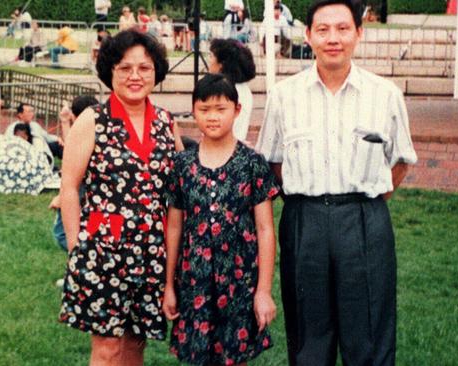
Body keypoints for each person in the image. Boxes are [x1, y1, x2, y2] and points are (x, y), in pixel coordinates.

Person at [255, 1, 418, 365]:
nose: (333, 39)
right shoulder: (285, 95)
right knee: (309, 339)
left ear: (359, 33)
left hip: (365, 221)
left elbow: (401, 161)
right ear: (308, 35)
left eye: (343, 29)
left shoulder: (384, 94)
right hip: (305, 223)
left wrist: (363, 202)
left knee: (370, 339)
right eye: (323, 29)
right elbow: (272, 162)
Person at [58, 29, 183, 365]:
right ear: (110, 72)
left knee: (134, 345)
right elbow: (69, 188)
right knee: (107, 348)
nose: (135, 76)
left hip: (151, 253)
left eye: (144, 68)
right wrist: (76, 250)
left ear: (156, 71)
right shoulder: (92, 120)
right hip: (102, 250)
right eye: (125, 68)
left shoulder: (165, 123)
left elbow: (179, 191)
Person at [162, 73, 279, 366]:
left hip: (239, 282)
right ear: (193, 110)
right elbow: (174, 226)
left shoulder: (253, 164)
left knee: (234, 358)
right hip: (194, 281)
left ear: (237, 110)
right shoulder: (182, 165)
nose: (212, 117)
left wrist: (263, 291)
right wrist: (169, 285)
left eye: (220, 109)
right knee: (198, 357)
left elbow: (265, 229)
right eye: (204, 109)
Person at [48, 95, 99, 252]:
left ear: (75, 116)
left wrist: (61, 197)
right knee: (96, 232)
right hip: (99, 196)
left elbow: (74, 155)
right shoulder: (102, 130)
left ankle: (86, 262)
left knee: (63, 234)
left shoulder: (87, 133)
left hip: (82, 190)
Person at [208, 39, 256, 142]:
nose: (209, 60)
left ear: (222, 64)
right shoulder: (244, 89)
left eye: (211, 56)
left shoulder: (223, 91)